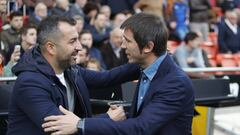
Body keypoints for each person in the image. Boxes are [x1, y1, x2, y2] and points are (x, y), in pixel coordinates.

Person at [42, 13, 195, 135]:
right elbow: (105, 78)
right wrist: (58, 61)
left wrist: (79, 124)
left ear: (148, 47)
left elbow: (141, 128)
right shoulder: (144, 64)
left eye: (128, 41)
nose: (122, 46)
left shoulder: (175, 83)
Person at [7, 15, 140, 135]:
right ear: (50, 48)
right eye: (72, 41)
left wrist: (144, 61)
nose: (79, 47)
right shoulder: (30, 83)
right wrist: (108, 118)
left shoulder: (71, 71)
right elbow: (60, 128)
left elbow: (106, 78)